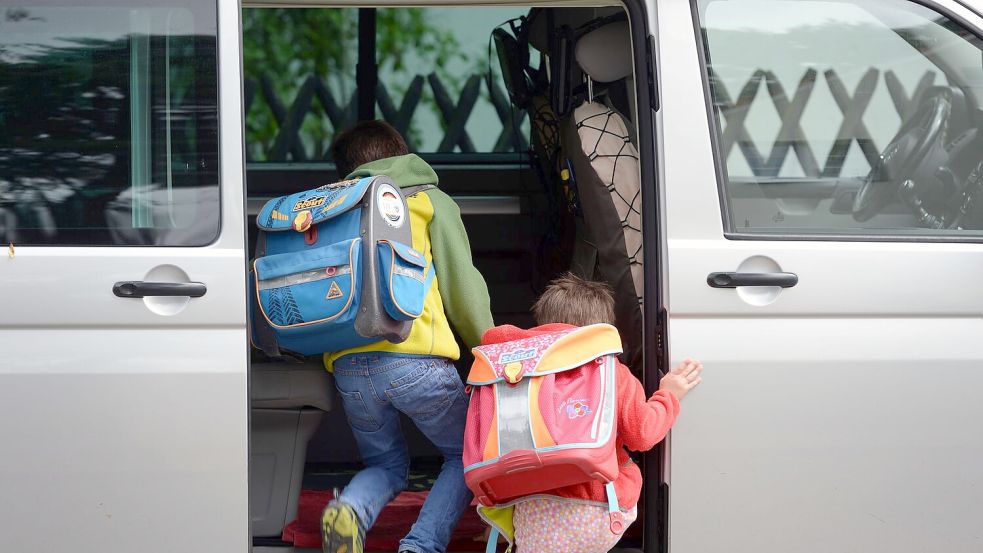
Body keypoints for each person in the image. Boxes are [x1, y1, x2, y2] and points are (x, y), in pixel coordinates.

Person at [320, 120, 493, 553]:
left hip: (349, 367)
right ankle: (420, 544)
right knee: (468, 453)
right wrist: (491, 345)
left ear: (347, 171)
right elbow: (462, 287)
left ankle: (352, 510)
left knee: (386, 464)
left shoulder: (332, 207)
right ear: (402, 154)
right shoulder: (428, 201)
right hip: (416, 360)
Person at [478, 272, 702, 553]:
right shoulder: (611, 373)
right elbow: (642, 434)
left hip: (530, 511)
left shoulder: (518, 375)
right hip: (597, 508)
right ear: (602, 330)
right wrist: (668, 394)